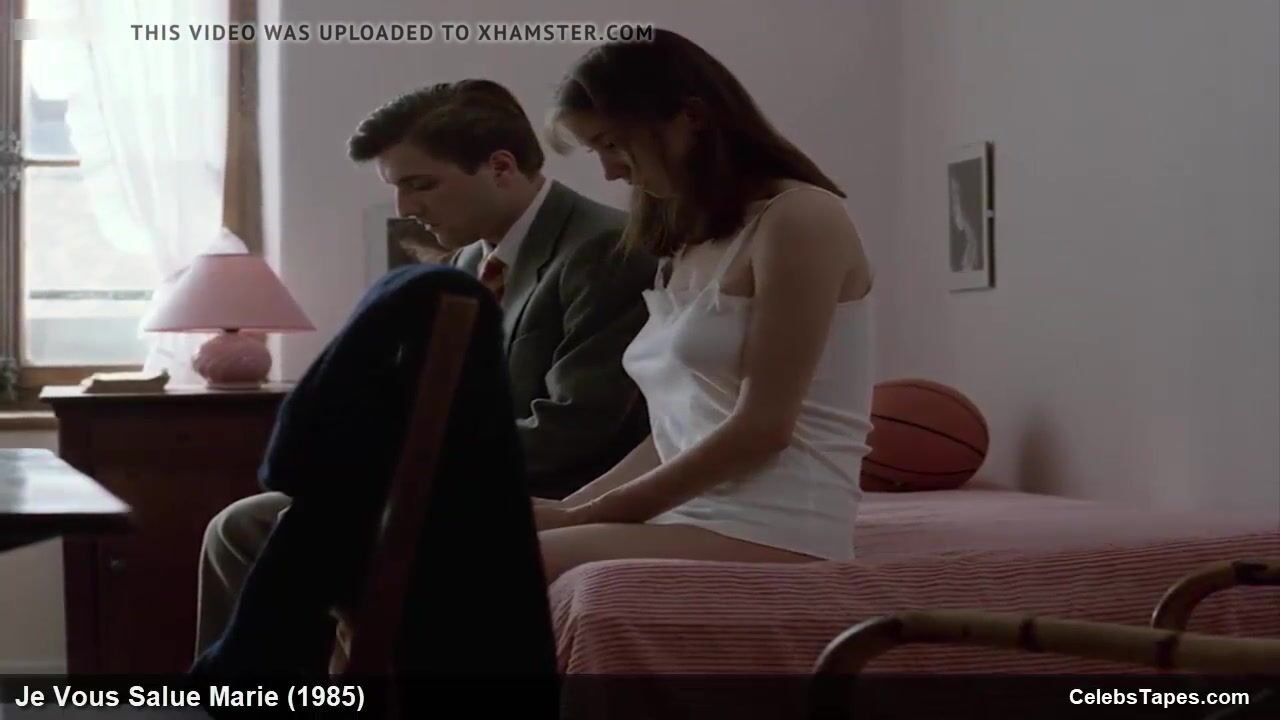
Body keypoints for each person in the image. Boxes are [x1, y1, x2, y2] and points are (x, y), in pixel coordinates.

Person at [194, 79, 656, 656]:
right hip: (458, 486)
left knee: (255, 529)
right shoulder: (466, 261)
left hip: (549, 493)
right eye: (398, 190)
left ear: (501, 167)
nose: (406, 210)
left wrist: (403, 475)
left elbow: (578, 426)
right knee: (248, 525)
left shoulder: (606, 249)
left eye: (420, 185)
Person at [532, 29, 877, 582]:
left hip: (776, 525)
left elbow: (762, 428)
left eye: (613, 144)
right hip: (694, 513)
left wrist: (585, 517)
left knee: (498, 566)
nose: (610, 171)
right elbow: (674, 434)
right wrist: (566, 510)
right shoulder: (688, 242)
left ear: (691, 117)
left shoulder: (802, 219)